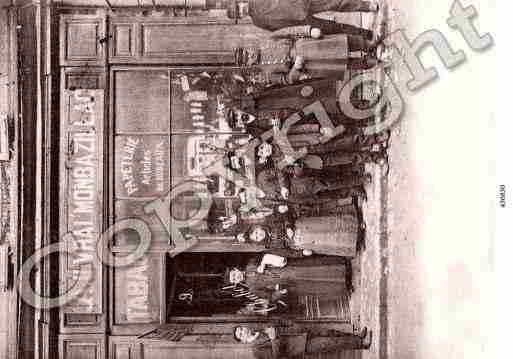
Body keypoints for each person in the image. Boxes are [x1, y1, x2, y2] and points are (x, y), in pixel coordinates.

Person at [227, 0, 378, 39]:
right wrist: (300, 31)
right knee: (333, 28)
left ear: (240, 3)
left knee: (336, 3)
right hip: (300, 23)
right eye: (239, 14)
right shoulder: (257, 22)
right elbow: (278, 30)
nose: (242, 11)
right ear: (241, 17)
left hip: (302, 2)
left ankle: (367, 6)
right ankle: (365, 34)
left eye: (239, 8)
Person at [233, 325, 372, 358]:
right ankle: (362, 344)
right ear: (243, 340)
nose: (243, 331)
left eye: (241, 328)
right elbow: (276, 356)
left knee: (330, 332)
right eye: (240, 334)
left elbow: (279, 326)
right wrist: (274, 338)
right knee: (330, 343)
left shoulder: (259, 329)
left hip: (300, 332)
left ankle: (357, 336)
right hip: (299, 346)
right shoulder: (255, 349)